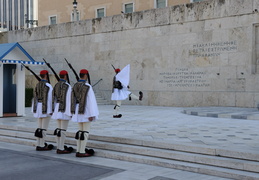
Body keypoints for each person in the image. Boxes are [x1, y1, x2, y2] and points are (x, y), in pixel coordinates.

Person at [71, 69, 99, 157]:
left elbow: (72, 99)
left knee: (80, 131)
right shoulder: (87, 86)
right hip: (86, 111)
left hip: (77, 110)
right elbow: (91, 101)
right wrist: (92, 114)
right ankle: (82, 151)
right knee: (85, 132)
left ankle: (78, 150)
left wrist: (73, 111)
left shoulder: (75, 85)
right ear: (86, 75)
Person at [52, 70, 73, 154]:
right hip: (64, 109)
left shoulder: (56, 85)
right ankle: (61, 148)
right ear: (65, 76)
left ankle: (59, 146)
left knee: (59, 129)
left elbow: (53, 98)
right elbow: (69, 100)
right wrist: (71, 112)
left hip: (57, 108)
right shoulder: (67, 86)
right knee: (63, 130)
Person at [33, 70, 54, 151]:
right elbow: (50, 99)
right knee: (44, 128)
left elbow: (35, 97)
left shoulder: (37, 85)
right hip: (45, 108)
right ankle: (42, 145)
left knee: (39, 128)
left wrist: (34, 109)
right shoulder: (48, 86)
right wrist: (51, 110)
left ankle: (38, 143)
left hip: (38, 107)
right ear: (46, 75)